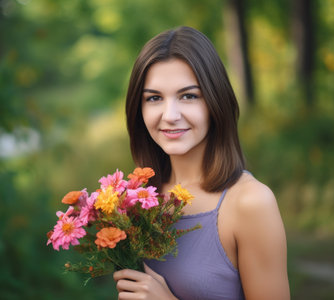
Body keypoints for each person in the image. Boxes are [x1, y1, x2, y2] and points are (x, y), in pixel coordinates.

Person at [113, 26, 290, 300]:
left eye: (188, 96)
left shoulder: (251, 202)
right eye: (154, 98)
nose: (170, 115)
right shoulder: (139, 200)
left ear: (215, 102)